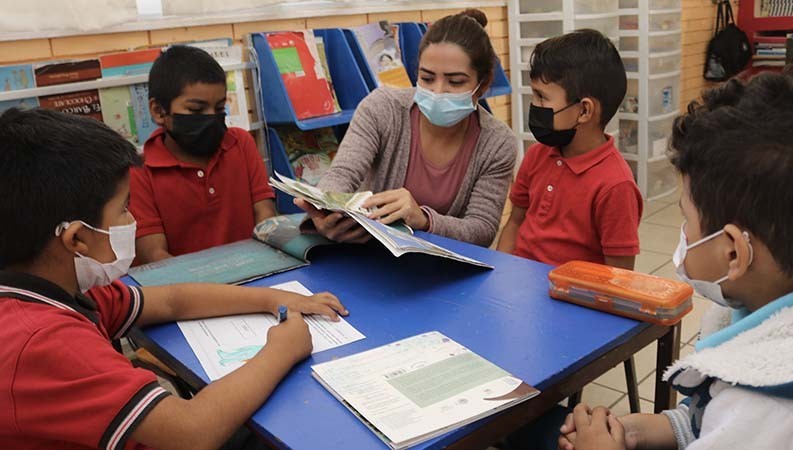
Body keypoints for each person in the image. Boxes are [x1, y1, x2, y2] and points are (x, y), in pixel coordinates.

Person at [0, 108, 347, 450]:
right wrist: (282, 350)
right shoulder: (42, 341)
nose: (132, 219)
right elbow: (191, 432)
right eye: (123, 208)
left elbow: (171, 301)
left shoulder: (61, 286)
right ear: (76, 238)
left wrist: (273, 298)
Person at [559, 65, 793, 450]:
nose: (684, 233)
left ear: (733, 252)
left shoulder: (771, 418)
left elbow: (736, 423)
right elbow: (708, 420)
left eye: (687, 218)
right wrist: (634, 432)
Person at [297, 9, 517, 247]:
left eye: (455, 82)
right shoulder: (383, 108)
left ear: (482, 84)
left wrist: (424, 220)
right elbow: (342, 174)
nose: (437, 91)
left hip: (442, 266)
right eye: (427, 78)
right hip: (369, 254)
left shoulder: (497, 142)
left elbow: (482, 229)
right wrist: (325, 211)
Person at [496, 30, 642, 270]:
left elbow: (619, 275)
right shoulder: (536, 155)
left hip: (570, 292)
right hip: (518, 280)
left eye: (542, 97)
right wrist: (500, 272)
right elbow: (515, 223)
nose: (534, 105)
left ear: (584, 111)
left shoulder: (616, 186)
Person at [130, 45, 276, 264]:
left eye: (219, 109)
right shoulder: (140, 171)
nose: (211, 118)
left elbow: (266, 217)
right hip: (185, 284)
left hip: (256, 274)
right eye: (196, 110)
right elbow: (155, 256)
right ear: (159, 111)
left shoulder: (241, 143)